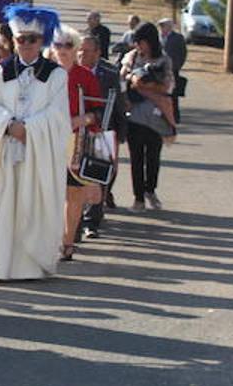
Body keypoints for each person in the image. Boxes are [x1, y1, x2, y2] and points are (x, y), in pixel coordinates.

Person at [0, 4, 71, 282]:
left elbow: (58, 115)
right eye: (21, 39)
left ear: (42, 41)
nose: (27, 45)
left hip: (34, 152)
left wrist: (29, 129)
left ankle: (29, 265)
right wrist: (7, 124)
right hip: (3, 150)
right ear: (12, 42)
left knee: (31, 205)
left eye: (33, 39)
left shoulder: (56, 75)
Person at [50, 26, 103, 262]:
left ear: (76, 49)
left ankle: (67, 242)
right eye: (58, 45)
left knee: (73, 194)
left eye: (68, 45)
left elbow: (99, 111)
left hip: (76, 142)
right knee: (47, 192)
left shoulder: (85, 76)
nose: (62, 50)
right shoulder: (44, 73)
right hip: (47, 139)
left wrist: (83, 119)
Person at [120, 22, 176, 210]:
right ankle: (138, 198)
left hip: (155, 116)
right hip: (134, 116)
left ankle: (150, 190)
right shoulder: (132, 57)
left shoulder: (163, 60)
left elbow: (167, 85)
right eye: (136, 42)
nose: (139, 46)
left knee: (153, 157)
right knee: (136, 158)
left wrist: (145, 84)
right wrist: (132, 78)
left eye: (142, 42)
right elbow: (122, 78)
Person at [78, 35, 125, 236]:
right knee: (75, 177)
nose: (81, 54)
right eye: (80, 49)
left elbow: (119, 104)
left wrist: (121, 133)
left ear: (97, 53)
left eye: (87, 50)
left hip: (102, 132)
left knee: (99, 174)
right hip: (76, 132)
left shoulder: (109, 74)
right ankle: (75, 220)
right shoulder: (67, 72)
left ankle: (92, 221)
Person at [158, 18, 188, 123]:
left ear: (169, 26)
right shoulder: (159, 38)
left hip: (172, 69)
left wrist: (177, 65)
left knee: (173, 93)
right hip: (160, 70)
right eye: (161, 26)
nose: (162, 28)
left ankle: (175, 116)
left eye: (163, 26)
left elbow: (183, 53)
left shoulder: (178, 38)